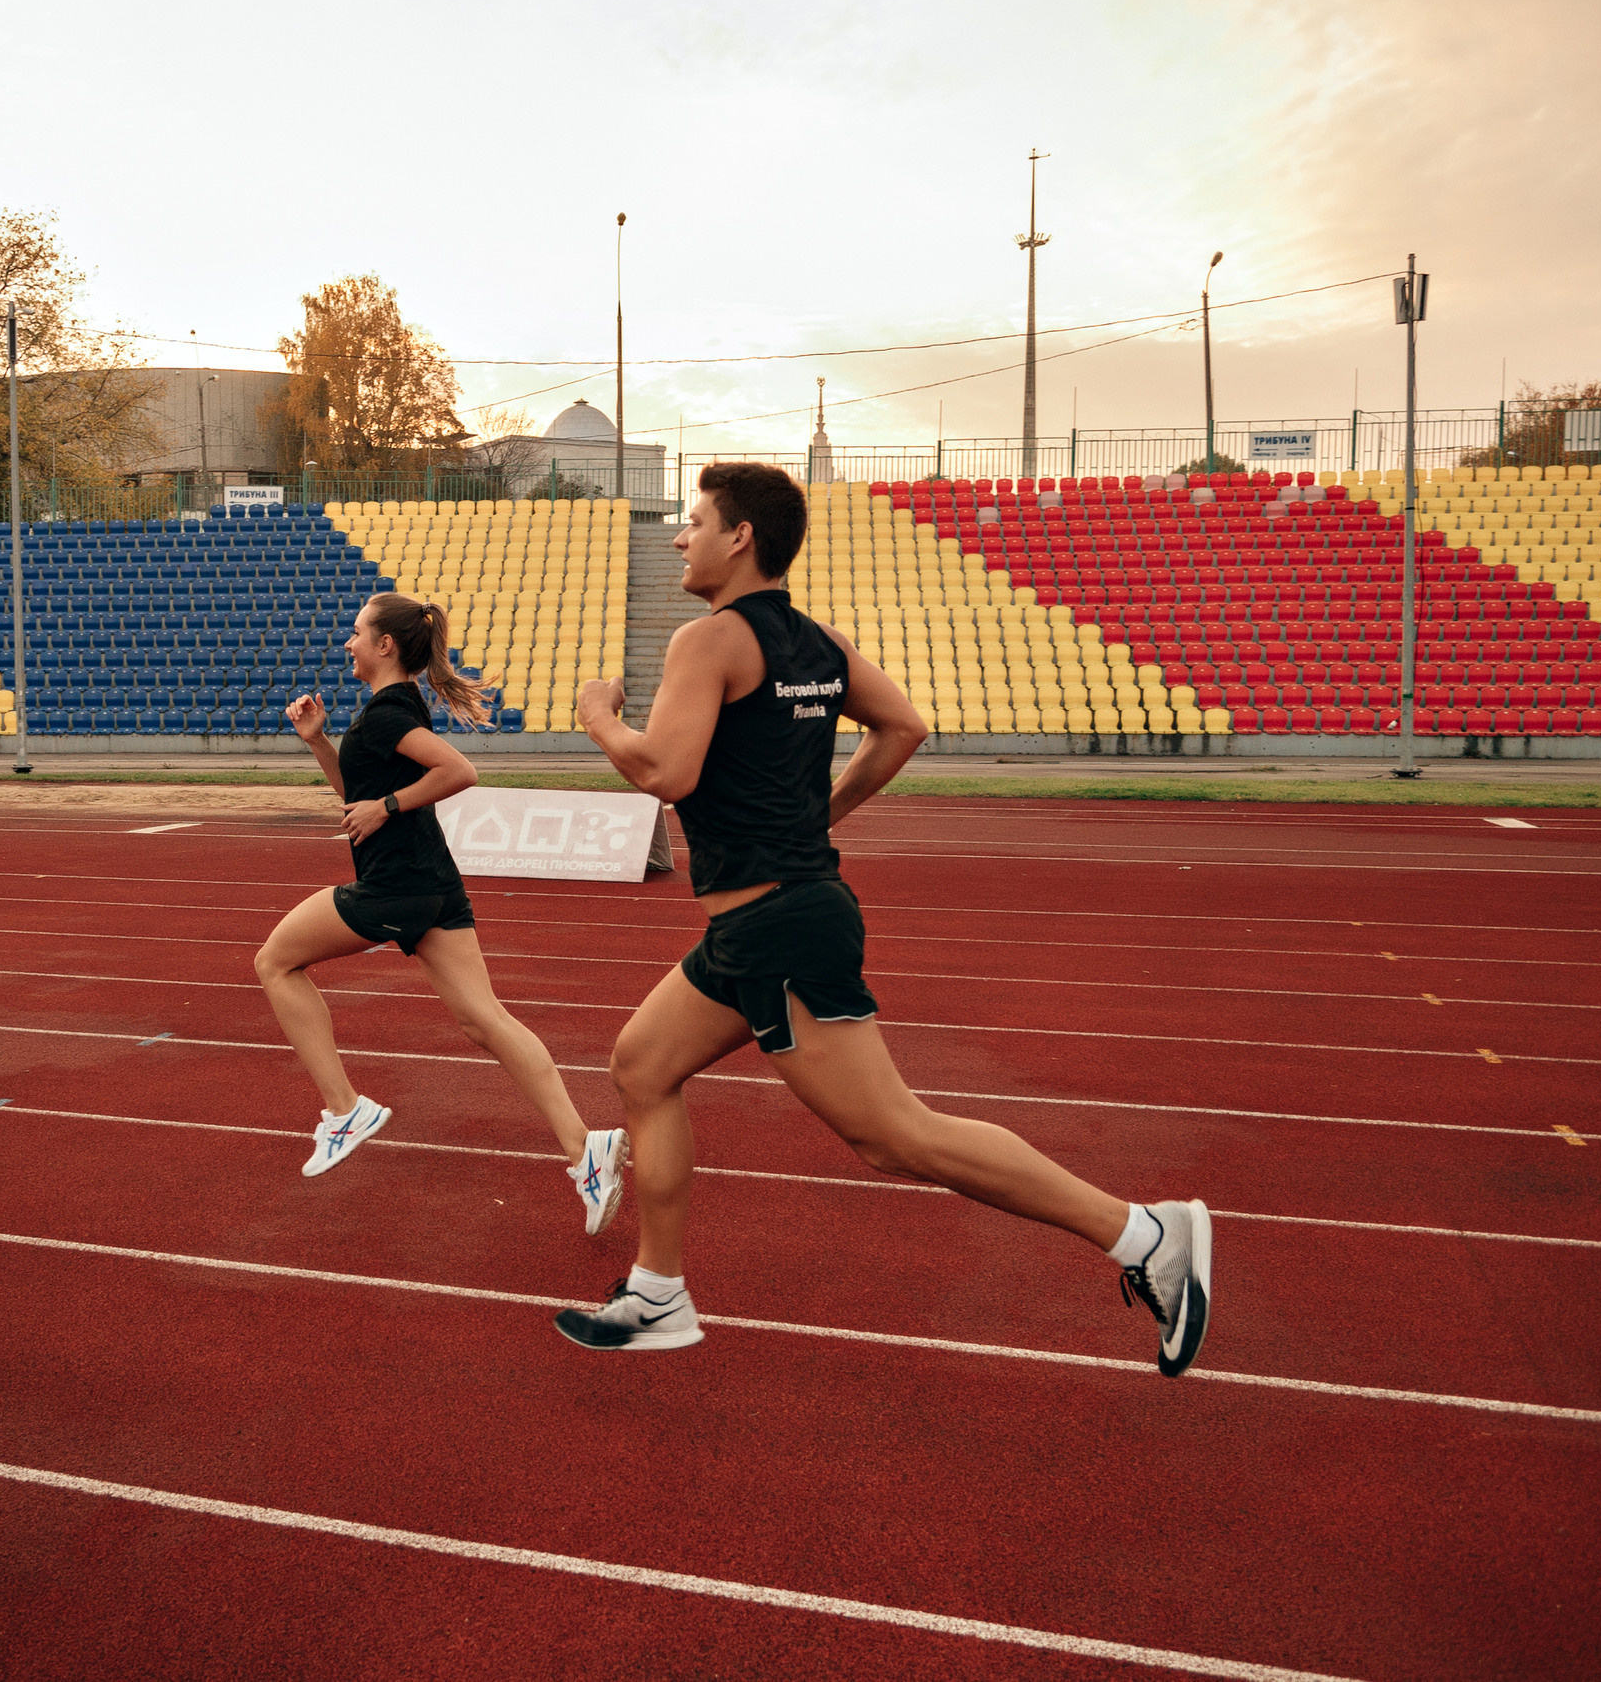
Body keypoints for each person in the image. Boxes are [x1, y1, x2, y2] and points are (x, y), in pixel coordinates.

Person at [553, 462, 1212, 1372]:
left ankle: (1144, 1235)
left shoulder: (706, 642)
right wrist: (815, 815)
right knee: (642, 1063)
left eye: (696, 520)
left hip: (780, 925)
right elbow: (902, 726)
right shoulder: (817, 641)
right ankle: (658, 1291)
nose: (680, 535)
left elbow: (666, 774)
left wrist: (597, 719)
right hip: (761, 924)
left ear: (740, 537)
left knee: (895, 1137)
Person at [254, 591, 629, 1232]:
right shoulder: (386, 713)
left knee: (275, 962)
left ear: (384, 646)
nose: (346, 644)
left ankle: (345, 1109)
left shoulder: (388, 718)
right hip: (432, 882)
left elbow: (459, 771)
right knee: (485, 1020)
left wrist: (390, 807)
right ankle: (584, 1148)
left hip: (397, 886)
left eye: (356, 634)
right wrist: (319, 744)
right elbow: (359, 800)